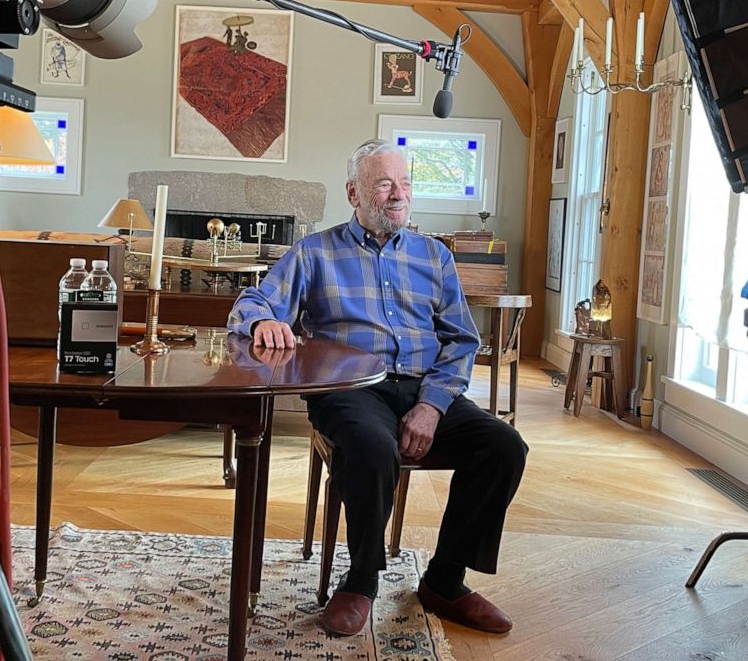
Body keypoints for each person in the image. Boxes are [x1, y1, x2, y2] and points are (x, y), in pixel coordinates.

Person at [227, 139, 529, 637]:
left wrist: (431, 405)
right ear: (354, 192)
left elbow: (461, 340)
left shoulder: (434, 257)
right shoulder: (315, 252)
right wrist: (263, 323)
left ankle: (445, 581)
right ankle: (362, 578)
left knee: (503, 446)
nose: (398, 194)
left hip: (423, 389)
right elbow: (251, 302)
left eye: (405, 183)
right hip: (348, 391)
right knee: (371, 446)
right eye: (384, 183)